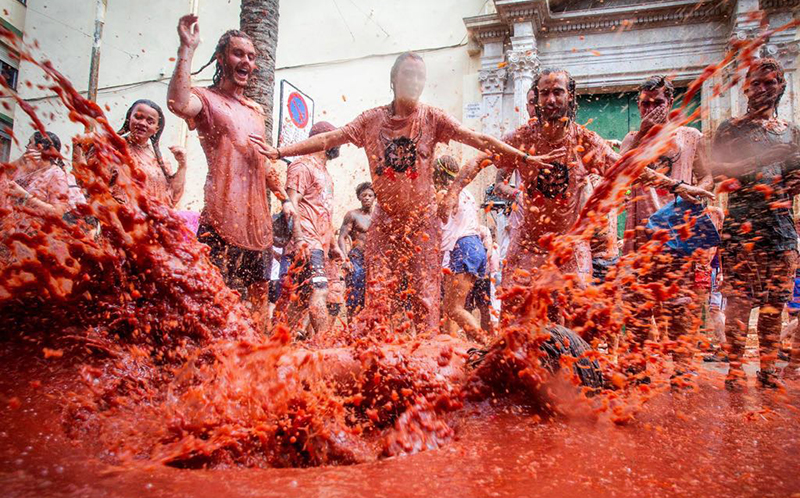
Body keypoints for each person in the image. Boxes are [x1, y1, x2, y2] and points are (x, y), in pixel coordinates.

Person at [251, 51, 551, 334]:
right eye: (409, 75)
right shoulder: (370, 120)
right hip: (385, 222)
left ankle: (425, 360)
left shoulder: (432, 117)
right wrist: (280, 151)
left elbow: (475, 138)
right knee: (379, 296)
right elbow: (330, 137)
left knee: (426, 298)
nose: (416, 82)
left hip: (422, 223)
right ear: (393, 80)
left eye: (421, 76)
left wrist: (523, 158)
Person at [440, 68, 712, 324]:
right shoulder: (521, 138)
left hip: (570, 246)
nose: (551, 99)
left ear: (571, 97)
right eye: (544, 93)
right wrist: (452, 193)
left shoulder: (584, 141)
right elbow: (479, 160)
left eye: (558, 92)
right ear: (536, 97)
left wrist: (678, 187)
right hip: (528, 245)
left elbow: (627, 169)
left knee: (575, 320)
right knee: (515, 320)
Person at [166, 15, 294, 324]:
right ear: (222, 58)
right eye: (239, 54)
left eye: (251, 56)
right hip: (220, 218)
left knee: (260, 301)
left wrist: (283, 197)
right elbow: (177, 103)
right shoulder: (207, 100)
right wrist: (187, 48)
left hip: (259, 224)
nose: (246, 61)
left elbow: (261, 161)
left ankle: (257, 364)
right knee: (210, 298)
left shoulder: (256, 111)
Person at [710, 58, 800, 389]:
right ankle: (734, 369)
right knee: (738, 303)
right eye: (755, 83)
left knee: (774, 306)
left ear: (781, 87)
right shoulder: (730, 129)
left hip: (780, 232)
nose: (762, 89)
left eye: (770, 82)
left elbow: (794, 177)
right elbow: (717, 172)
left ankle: (768, 369)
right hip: (740, 232)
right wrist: (756, 161)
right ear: (745, 87)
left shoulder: (791, 132)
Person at [618, 75, 714, 380]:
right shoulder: (632, 139)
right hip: (639, 239)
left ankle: (682, 374)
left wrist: (693, 191)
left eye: (657, 102)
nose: (651, 109)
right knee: (636, 309)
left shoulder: (690, 137)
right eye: (644, 103)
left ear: (669, 103)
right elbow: (619, 177)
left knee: (679, 308)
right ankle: (635, 373)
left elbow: (708, 178)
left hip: (677, 236)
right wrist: (645, 132)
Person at [277, 121, 343, 338]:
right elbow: (291, 203)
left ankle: (279, 349)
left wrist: (334, 246)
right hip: (306, 241)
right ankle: (325, 346)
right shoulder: (301, 166)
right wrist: (298, 239)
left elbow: (324, 213)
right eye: (335, 138)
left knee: (301, 300)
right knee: (318, 291)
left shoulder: (325, 173)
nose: (338, 143)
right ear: (322, 140)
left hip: (320, 246)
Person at [435, 155, 487, 343]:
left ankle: (486, 345)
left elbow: (438, 221)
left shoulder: (444, 193)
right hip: (476, 246)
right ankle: (453, 344)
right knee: (453, 305)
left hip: (462, 246)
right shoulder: (467, 193)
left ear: (438, 173)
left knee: (453, 308)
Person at [116, 99, 187, 207]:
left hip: (154, 220)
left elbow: (172, 197)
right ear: (129, 118)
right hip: (119, 219)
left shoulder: (159, 159)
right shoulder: (113, 147)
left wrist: (182, 165)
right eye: (138, 117)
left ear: (156, 128)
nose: (142, 123)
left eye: (150, 121)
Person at [8, 131, 85, 217]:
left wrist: (25, 196)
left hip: (35, 228)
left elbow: (57, 213)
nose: (27, 146)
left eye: (30, 143)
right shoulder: (24, 167)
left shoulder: (56, 175)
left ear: (40, 148)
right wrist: (19, 161)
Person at [338, 182, 374, 318]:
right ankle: (351, 331)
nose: (367, 198)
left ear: (375, 197)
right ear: (359, 197)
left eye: (370, 195)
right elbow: (342, 237)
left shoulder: (378, 216)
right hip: (356, 258)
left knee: (372, 296)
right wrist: (345, 259)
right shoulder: (352, 215)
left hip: (372, 259)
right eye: (363, 195)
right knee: (354, 297)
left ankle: (366, 333)